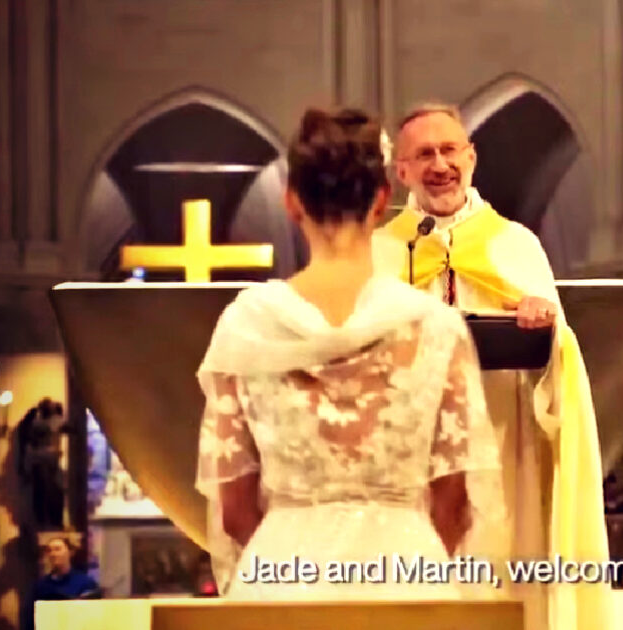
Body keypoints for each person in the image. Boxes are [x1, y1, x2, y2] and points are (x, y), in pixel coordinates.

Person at [195, 106, 506, 600]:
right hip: (407, 580)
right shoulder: (433, 326)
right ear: (382, 200)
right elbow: (455, 504)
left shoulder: (246, 325)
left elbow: (233, 509)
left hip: (281, 583)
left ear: (292, 202)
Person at [371, 103, 608, 630]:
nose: (440, 165)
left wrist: (543, 328)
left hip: (504, 454)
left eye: (449, 150)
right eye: (424, 154)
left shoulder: (516, 246)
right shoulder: (382, 255)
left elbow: (561, 372)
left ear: (471, 158)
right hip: (409, 463)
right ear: (402, 171)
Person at [25, 537, 100, 630]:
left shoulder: (85, 583)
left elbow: (94, 618)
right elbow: (30, 618)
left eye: (57, 549)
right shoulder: (40, 586)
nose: (53, 554)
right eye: (49, 551)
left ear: (70, 552)